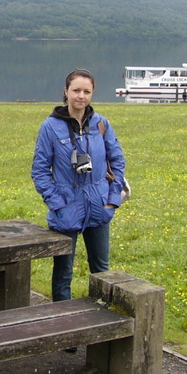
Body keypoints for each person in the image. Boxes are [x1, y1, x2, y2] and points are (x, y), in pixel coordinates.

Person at [31, 68, 126, 302]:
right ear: (66, 91)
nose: (81, 96)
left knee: (101, 270)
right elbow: (40, 170)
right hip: (67, 208)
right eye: (76, 90)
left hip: (98, 206)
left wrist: (112, 201)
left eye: (87, 91)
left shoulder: (101, 124)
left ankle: (103, 319)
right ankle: (62, 321)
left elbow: (118, 161)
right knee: (63, 273)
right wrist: (57, 204)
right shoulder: (51, 127)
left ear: (92, 94)